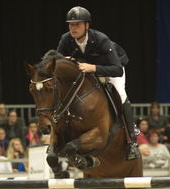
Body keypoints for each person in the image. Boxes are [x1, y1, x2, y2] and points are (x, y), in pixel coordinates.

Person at [57, 6, 139, 160]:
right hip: (87, 70)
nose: (73, 28)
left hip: (111, 69)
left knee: (120, 94)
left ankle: (132, 141)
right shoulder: (65, 39)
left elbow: (117, 69)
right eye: (71, 24)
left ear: (86, 25)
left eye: (77, 24)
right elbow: (59, 63)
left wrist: (93, 68)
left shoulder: (101, 39)